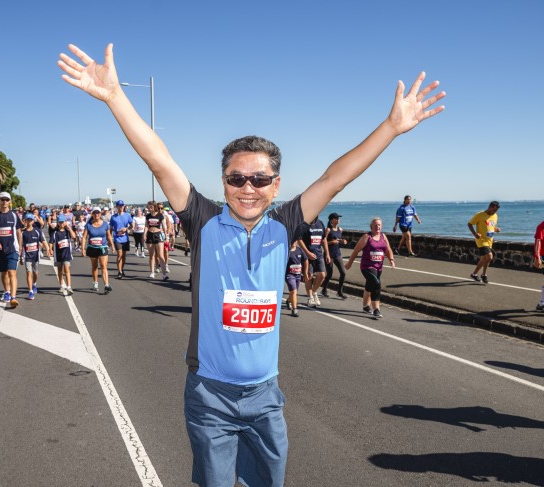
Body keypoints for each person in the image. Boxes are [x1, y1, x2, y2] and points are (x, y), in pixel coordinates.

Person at [59, 41, 444, 486]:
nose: (248, 188)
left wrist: (391, 127)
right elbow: (159, 160)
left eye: (260, 179)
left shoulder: (285, 224)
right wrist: (115, 97)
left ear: (275, 184)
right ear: (223, 183)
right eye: (236, 178)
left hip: (266, 397)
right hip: (210, 396)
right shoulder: (202, 221)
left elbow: (334, 177)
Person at [345, 217, 395, 319]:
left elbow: (388, 249)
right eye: (375, 225)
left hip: (378, 267)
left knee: (370, 285)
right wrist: (349, 263)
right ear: (371, 226)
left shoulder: (383, 236)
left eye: (379, 225)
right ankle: (376, 309)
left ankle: (365, 306)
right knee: (376, 284)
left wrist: (391, 259)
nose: (378, 227)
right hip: (367, 266)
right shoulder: (366, 237)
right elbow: (356, 250)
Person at [0, 191, 23, 308]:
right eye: (2, 199)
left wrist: (20, 247)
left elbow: (18, 232)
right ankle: (6, 291)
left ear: (9, 201)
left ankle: (13, 298)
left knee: (12, 272)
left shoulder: (14, 215)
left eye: (7, 200)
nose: (4, 202)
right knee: (4, 273)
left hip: (12, 249)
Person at [82, 206, 115, 293]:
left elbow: (109, 236)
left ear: (100, 214)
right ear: (92, 214)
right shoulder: (88, 225)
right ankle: (95, 282)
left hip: (102, 248)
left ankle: (106, 285)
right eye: (95, 213)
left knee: (103, 266)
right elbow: (84, 237)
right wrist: (83, 249)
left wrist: (112, 246)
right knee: (94, 266)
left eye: (98, 213)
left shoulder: (105, 224)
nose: (97, 214)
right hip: (92, 248)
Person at [467, 201, 501, 284]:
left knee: (484, 259)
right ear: (490, 207)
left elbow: (491, 226)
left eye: (496, 211)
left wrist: (496, 229)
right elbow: (469, 224)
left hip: (490, 240)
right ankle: (483, 274)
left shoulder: (495, 216)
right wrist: (475, 234)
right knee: (489, 256)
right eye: (493, 210)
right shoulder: (480, 215)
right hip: (481, 240)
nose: (494, 212)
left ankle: (475, 274)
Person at [299, 217, 328, 308]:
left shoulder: (320, 223)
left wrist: (327, 253)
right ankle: (310, 298)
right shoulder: (304, 224)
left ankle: (314, 292)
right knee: (309, 276)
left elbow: (323, 239)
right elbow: (299, 239)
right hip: (307, 255)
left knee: (322, 275)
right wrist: (307, 252)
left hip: (318, 254)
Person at [20, 213, 50, 300]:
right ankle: (30, 291)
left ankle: (34, 284)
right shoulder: (23, 233)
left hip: (36, 256)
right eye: (27, 220)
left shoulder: (37, 231)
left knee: (35, 273)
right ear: (25, 221)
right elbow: (21, 246)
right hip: (27, 256)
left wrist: (48, 249)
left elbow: (43, 241)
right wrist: (20, 257)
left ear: (33, 221)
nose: (29, 222)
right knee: (29, 273)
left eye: (31, 220)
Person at [321, 212, 348, 299]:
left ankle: (340, 291)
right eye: (336, 218)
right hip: (328, 254)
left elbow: (339, 240)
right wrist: (331, 242)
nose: (338, 219)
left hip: (337, 254)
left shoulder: (340, 229)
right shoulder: (328, 230)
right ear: (332, 220)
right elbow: (323, 242)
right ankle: (324, 289)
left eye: (338, 218)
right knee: (329, 274)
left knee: (343, 272)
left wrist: (343, 241)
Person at [50, 213, 76, 294]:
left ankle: (69, 287)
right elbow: (51, 242)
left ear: (65, 222)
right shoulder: (55, 232)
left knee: (67, 269)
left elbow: (74, 236)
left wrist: (69, 227)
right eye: (60, 222)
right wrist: (50, 249)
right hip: (58, 255)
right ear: (57, 223)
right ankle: (61, 285)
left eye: (63, 222)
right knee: (60, 270)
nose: (61, 224)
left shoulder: (67, 231)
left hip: (67, 254)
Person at [144, 200, 168, 280]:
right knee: (151, 256)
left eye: (151, 207)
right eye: (149, 207)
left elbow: (164, 226)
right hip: (150, 235)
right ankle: (152, 272)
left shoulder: (160, 215)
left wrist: (166, 235)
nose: (149, 208)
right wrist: (144, 234)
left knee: (161, 255)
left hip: (158, 235)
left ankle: (164, 274)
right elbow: (147, 225)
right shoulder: (148, 216)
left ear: (154, 207)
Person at [109, 200, 133, 278]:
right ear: (117, 207)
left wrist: (126, 229)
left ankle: (122, 270)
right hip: (117, 238)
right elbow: (111, 229)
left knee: (124, 256)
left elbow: (132, 226)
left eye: (122, 205)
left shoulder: (127, 215)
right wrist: (109, 239)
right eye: (119, 205)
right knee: (119, 254)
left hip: (125, 238)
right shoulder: (113, 217)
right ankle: (119, 271)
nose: (121, 207)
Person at [285, 240, 309, 317]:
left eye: (295, 241)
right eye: (293, 241)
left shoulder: (299, 250)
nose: (294, 242)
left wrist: (305, 273)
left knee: (293, 292)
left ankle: (289, 301)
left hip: (298, 275)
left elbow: (306, 260)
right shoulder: (286, 251)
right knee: (294, 291)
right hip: (289, 275)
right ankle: (294, 309)